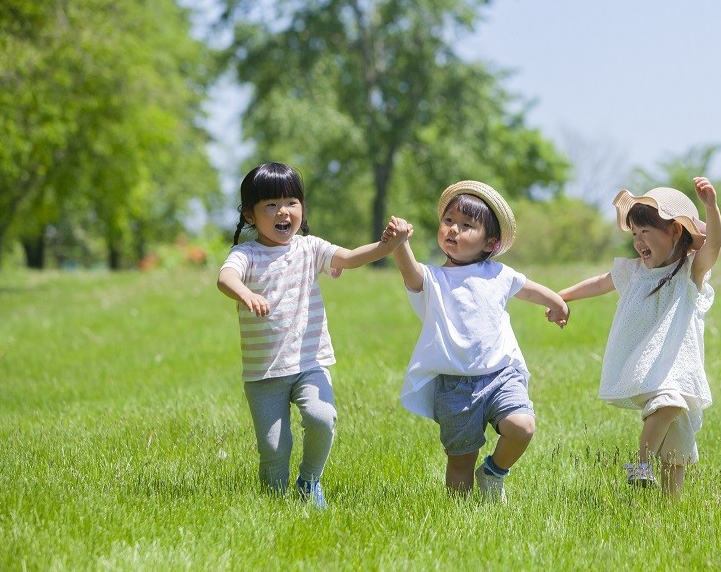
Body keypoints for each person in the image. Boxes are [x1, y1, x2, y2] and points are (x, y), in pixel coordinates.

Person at [217, 162, 410, 509]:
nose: (283, 211)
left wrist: (388, 245)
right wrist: (246, 294)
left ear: (302, 208)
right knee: (274, 449)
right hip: (264, 373)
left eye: (291, 202)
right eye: (270, 205)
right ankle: (274, 506)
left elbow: (349, 258)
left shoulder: (310, 248)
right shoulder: (246, 254)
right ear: (250, 215)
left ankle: (309, 480)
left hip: (310, 362)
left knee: (322, 417)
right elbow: (225, 279)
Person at [390, 180, 570, 501]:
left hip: (501, 374)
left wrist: (556, 302)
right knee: (460, 462)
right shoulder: (434, 278)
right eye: (448, 221)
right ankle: (462, 520)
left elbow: (527, 287)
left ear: (490, 242)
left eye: (466, 225)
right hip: (455, 386)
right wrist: (401, 243)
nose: (453, 230)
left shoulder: (498, 273)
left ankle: (493, 472)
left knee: (522, 426)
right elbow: (410, 273)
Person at [557, 177, 721, 497]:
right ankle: (641, 463)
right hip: (650, 366)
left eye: (646, 232)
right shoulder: (635, 271)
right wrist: (560, 297)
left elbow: (714, 244)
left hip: (682, 366)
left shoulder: (691, 272)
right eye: (634, 233)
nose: (638, 241)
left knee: (677, 454)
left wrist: (711, 207)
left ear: (676, 231)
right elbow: (598, 283)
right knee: (668, 402)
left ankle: (669, 514)